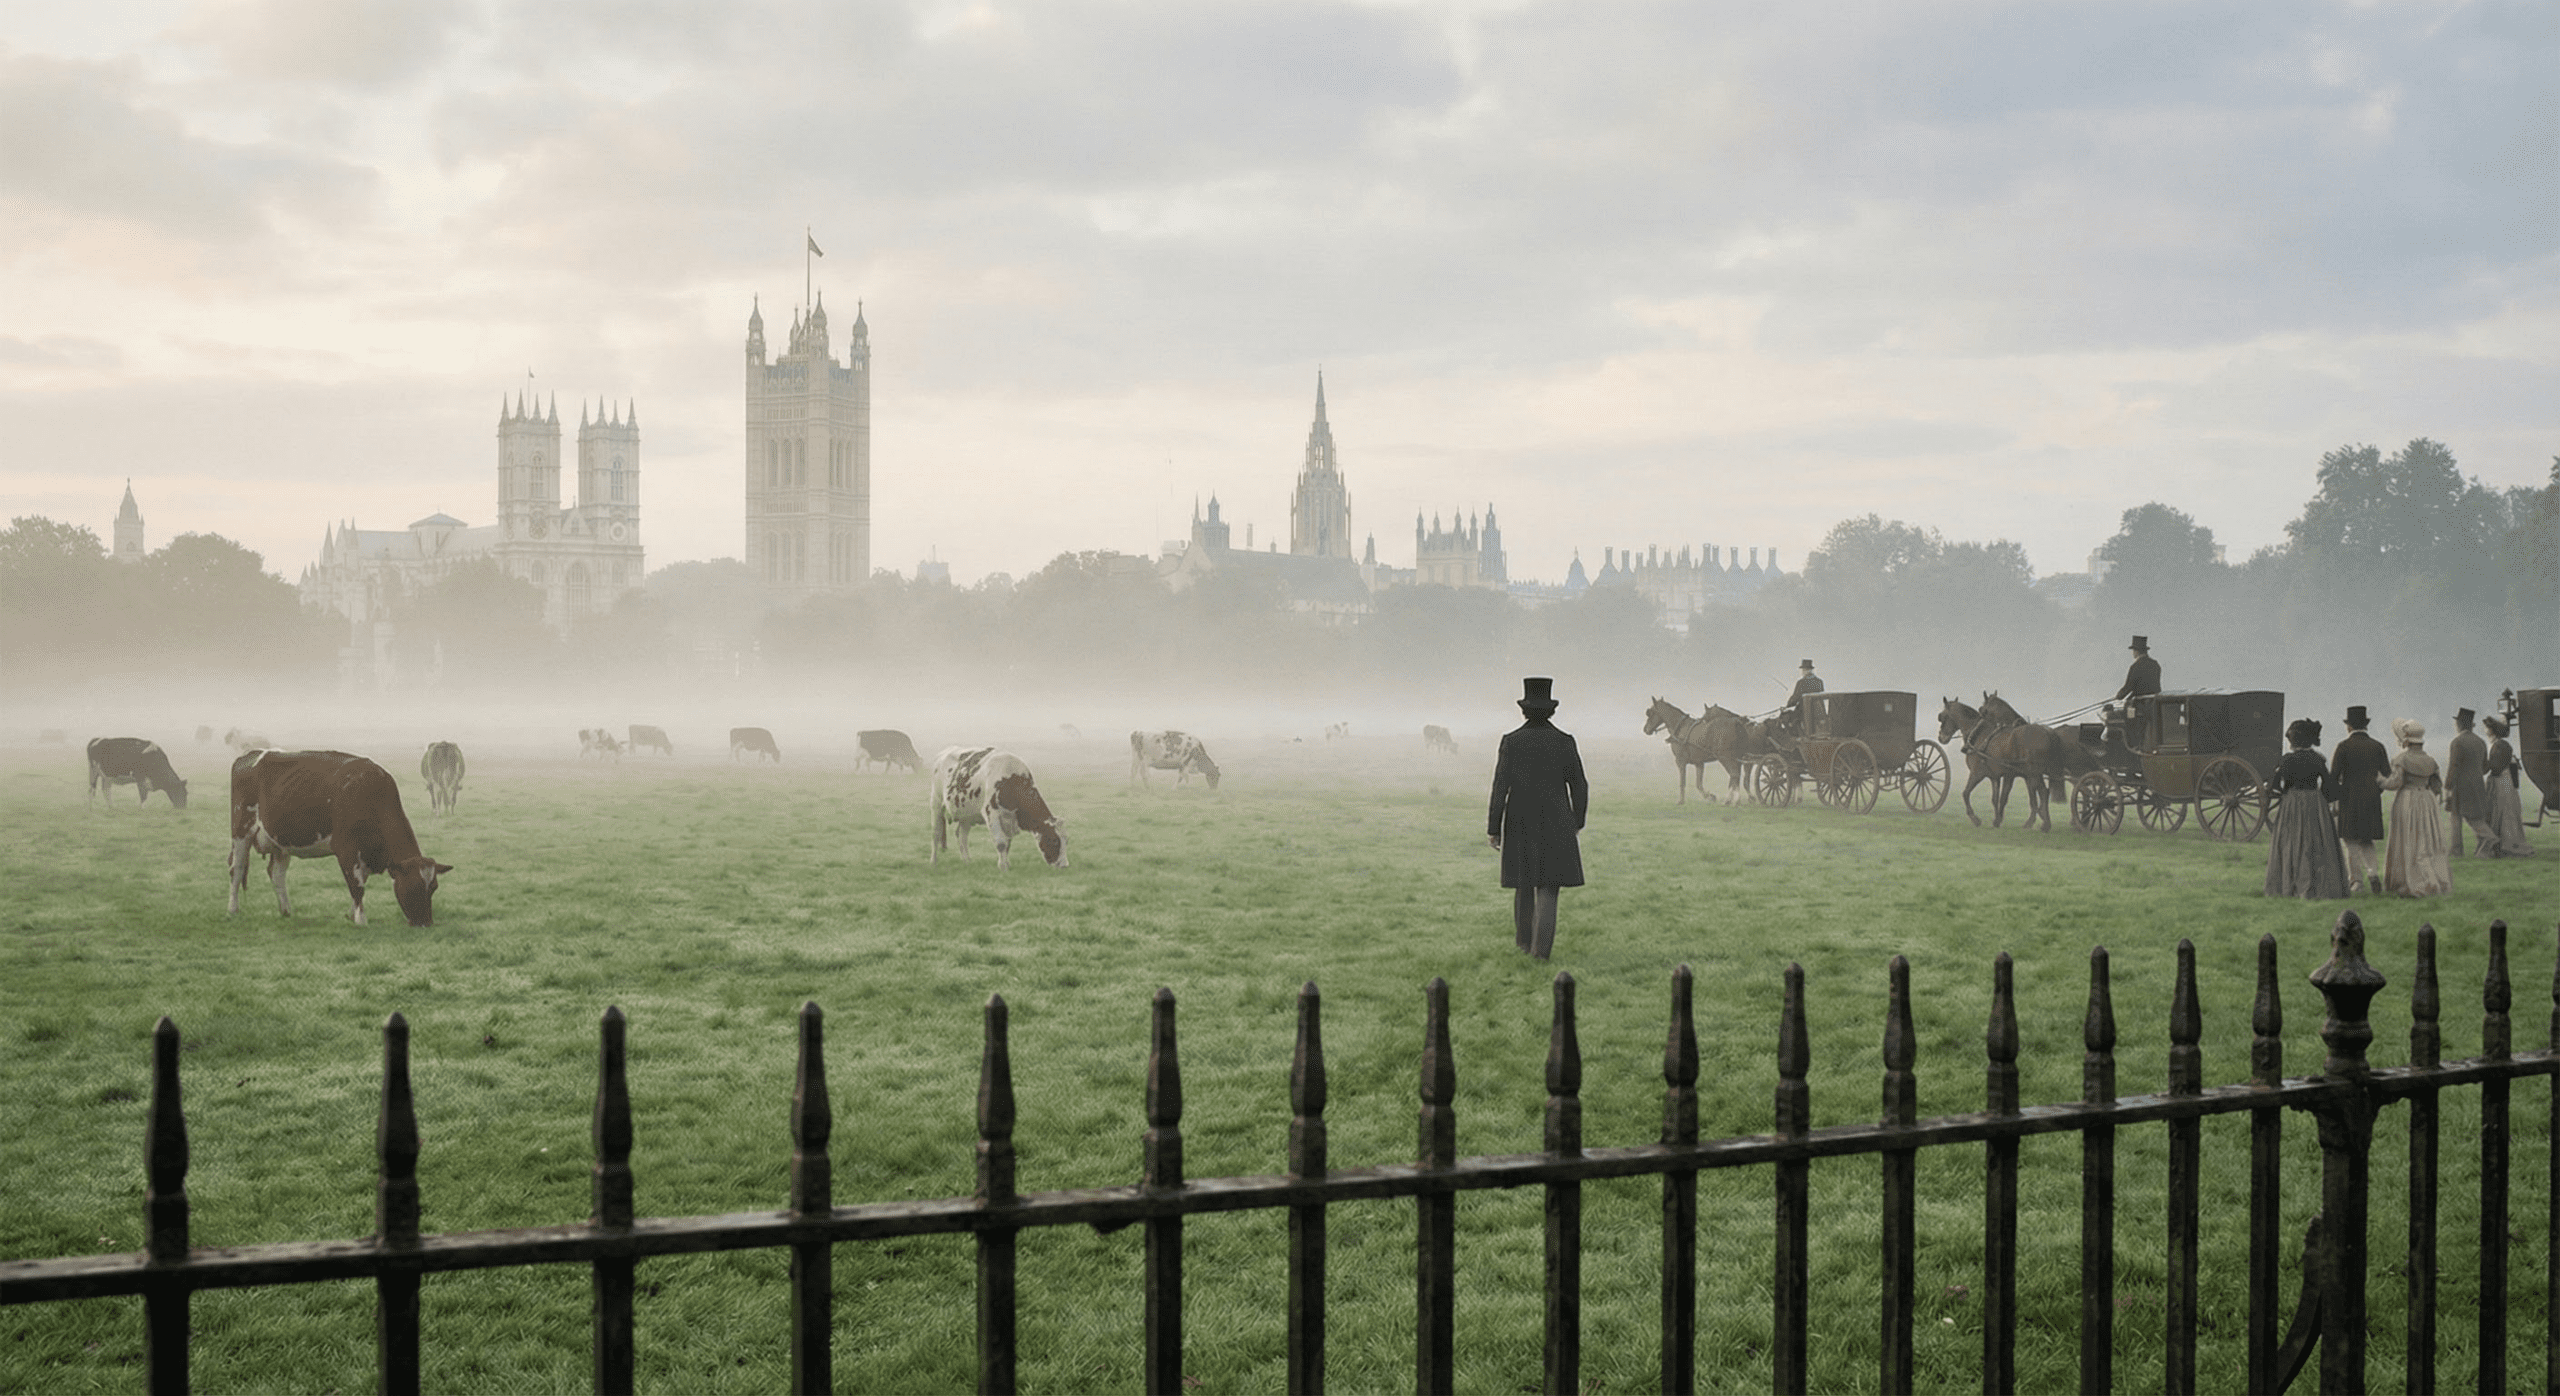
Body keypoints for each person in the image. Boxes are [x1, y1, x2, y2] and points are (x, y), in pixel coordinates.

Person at [1488, 676, 1588, 960]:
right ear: (1551, 710)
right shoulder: (1565, 742)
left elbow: (1500, 787)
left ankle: (1523, 943)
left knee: (1523, 882)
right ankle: (1540, 953)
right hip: (1557, 819)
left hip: (1519, 818)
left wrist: (1493, 828)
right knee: (1549, 887)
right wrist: (1576, 821)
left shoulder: (1512, 742)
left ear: (1524, 710)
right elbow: (1579, 785)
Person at [2264, 718, 2350, 899]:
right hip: (2314, 801)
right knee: (2317, 843)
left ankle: (2290, 885)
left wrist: (2286, 792)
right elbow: (2329, 785)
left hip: (2292, 803)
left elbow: (2274, 787)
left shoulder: (2286, 760)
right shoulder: (2317, 759)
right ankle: (2318, 886)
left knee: (2291, 843)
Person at [2382, 718, 2452, 897]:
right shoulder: (2430, 760)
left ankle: (2411, 881)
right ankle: (2433, 878)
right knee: (2426, 841)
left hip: (2408, 799)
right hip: (2427, 801)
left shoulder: (2401, 759)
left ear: (2406, 741)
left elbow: (2395, 783)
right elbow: (2436, 786)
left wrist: (2380, 781)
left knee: (2410, 838)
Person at [2330, 705, 2390, 893]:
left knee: (2350, 842)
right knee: (2366, 840)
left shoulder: (2343, 747)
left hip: (2349, 798)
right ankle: (2372, 873)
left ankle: (2356, 881)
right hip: (2371, 799)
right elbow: (2387, 774)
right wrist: (2376, 790)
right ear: (2365, 725)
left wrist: (2334, 798)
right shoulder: (2378, 746)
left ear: (2349, 727)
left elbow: (2333, 777)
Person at [2482, 714, 2535, 857]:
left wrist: (2482, 764)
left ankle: (2507, 843)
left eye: (2487, 728)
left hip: (2502, 780)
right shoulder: (2499, 744)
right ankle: (2500, 843)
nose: (2485, 730)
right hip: (2503, 780)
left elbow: (2496, 767)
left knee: (2504, 809)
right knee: (2502, 809)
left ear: (2492, 730)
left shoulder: (2500, 745)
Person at [2446, 707, 2492, 856]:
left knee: (2456, 818)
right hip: (2477, 784)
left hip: (2460, 786)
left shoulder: (2457, 742)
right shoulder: (2481, 742)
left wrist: (2447, 786)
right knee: (2474, 816)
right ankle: (2458, 850)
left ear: (2459, 724)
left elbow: (2453, 766)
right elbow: (2485, 767)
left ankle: (2457, 850)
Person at [2113, 636, 2161, 704]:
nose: (2133, 653)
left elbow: (2129, 686)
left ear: (2137, 651)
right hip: (2154, 702)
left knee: (2125, 712)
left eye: (2133, 650)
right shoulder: (2155, 664)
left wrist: (2119, 696)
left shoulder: (2136, 666)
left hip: (2140, 703)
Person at [1784, 659, 1824, 735]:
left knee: (1787, 719)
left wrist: (1787, 706)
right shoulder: (1819, 682)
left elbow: (1795, 698)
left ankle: (1795, 737)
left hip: (1804, 711)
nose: (1802, 672)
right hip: (1818, 711)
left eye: (1803, 670)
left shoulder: (1801, 682)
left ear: (1806, 670)